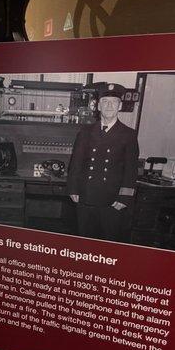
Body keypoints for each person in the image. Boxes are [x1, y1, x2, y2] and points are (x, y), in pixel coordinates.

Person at [67, 83, 139, 242]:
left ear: (119, 106)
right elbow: (76, 163)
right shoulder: (85, 132)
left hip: (112, 201)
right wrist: (73, 189)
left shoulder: (129, 135)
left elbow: (131, 170)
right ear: (98, 106)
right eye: (105, 101)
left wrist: (124, 198)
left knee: (108, 242)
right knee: (84, 242)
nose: (109, 106)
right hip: (85, 197)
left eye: (113, 102)